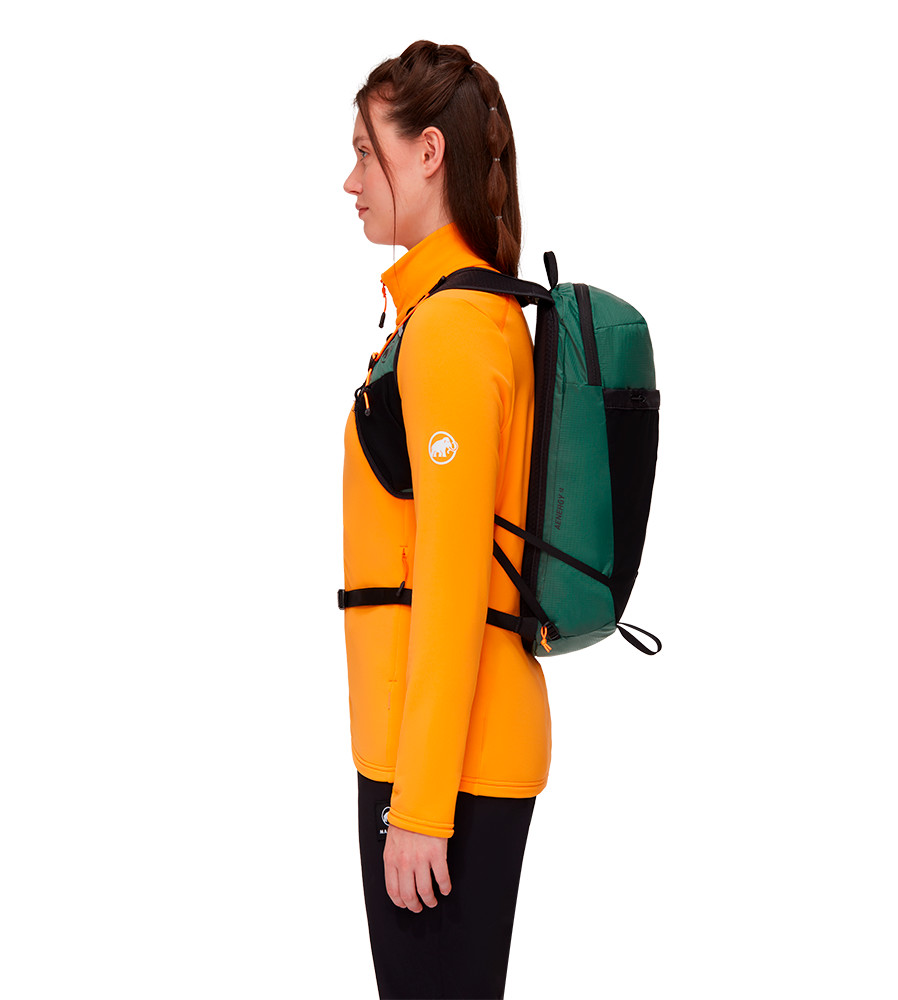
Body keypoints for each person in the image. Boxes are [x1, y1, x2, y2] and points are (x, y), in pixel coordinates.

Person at [340, 41, 552, 1000]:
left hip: (443, 774)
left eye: (364, 152)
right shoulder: (448, 314)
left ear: (427, 153)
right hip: (441, 753)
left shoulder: (455, 331)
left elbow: (455, 577)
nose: (350, 182)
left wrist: (419, 807)